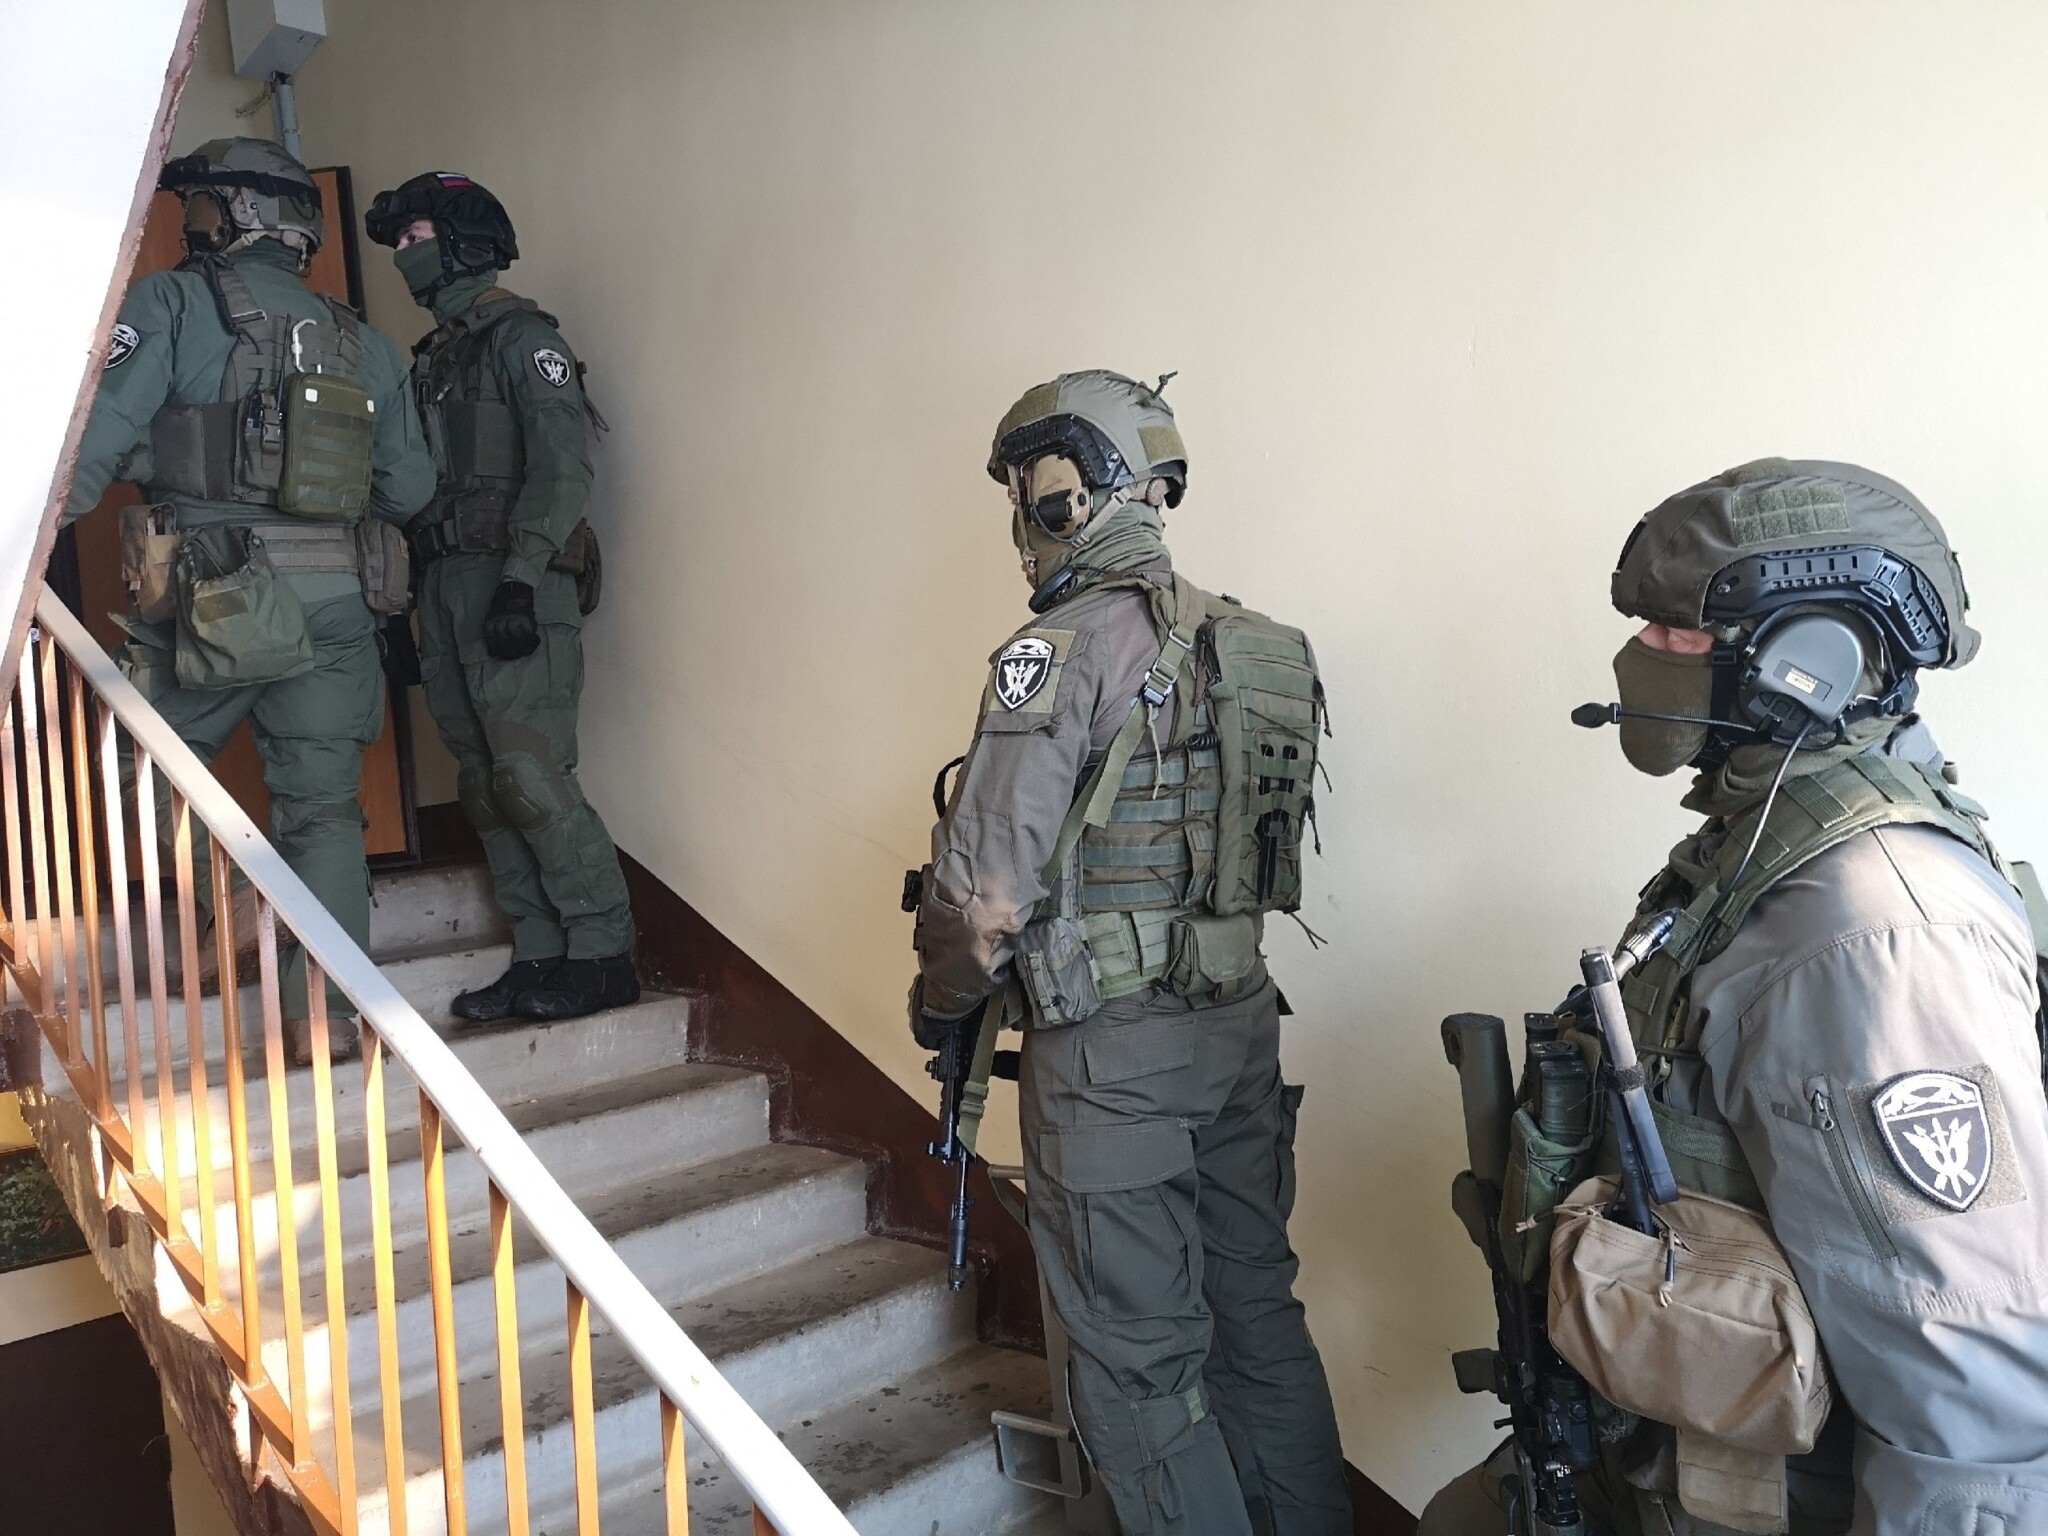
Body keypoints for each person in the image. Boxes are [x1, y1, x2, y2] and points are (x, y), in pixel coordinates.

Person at [1422, 460, 2048, 1534]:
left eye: (1674, 630)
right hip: (1673, 1458)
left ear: (1805, 664)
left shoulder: (1870, 934)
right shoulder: (1765, 851)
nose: (1640, 652)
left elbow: (1968, 1405)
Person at [911, 370, 1351, 1535]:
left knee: (1136, 1370)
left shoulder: (1058, 650)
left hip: (1111, 1061)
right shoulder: (1253, 641)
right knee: (1256, 1322)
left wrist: (938, 1000)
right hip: (1237, 1026)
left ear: (1065, 491)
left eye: (1025, 490)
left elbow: (982, 897)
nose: (1020, 518)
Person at [66, 137, 434, 1065]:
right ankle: (329, 1020)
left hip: (220, 593)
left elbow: (93, 439)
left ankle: (233, 896)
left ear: (235, 213)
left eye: (196, 206)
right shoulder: (364, 342)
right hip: (342, 601)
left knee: (130, 759)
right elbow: (409, 489)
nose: (186, 223)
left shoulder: (171, 302)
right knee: (324, 811)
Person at [363, 172, 637, 1022]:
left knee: (528, 775)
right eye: (400, 243)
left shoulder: (524, 339)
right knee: (483, 785)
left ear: (464, 242)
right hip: (445, 588)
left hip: (516, 580)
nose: (404, 255)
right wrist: (401, 606)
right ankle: (540, 951)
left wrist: (521, 577)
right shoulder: (435, 358)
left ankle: (603, 953)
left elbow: (562, 470)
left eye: (415, 238)